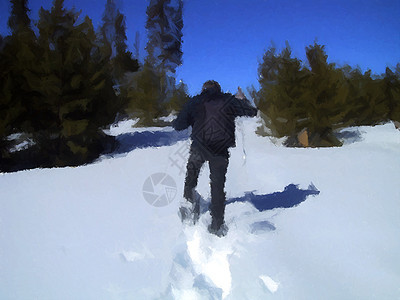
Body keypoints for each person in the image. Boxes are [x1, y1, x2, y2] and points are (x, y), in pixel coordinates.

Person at [172, 80, 258, 236]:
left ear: (204, 89)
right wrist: (242, 100)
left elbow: (179, 125)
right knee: (217, 186)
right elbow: (252, 112)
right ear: (218, 89)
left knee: (191, 176)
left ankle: (188, 203)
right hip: (220, 149)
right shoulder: (228, 100)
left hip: (199, 147)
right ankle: (217, 225)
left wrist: (189, 118)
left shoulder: (195, 101)